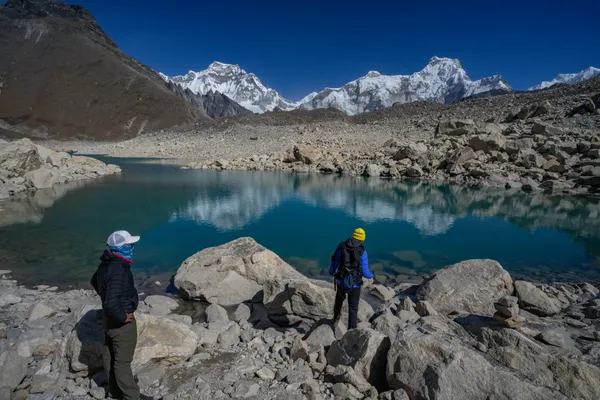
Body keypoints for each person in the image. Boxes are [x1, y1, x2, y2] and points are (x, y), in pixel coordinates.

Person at [91, 230, 151, 400]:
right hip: (121, 323)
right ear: (119, 247)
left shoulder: (106, 263)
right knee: (123, 362)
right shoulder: (118, 268)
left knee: (110, 356)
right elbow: (111, 301)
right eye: (129, 245)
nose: (132, 247)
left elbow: (94, 281)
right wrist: (122, 316)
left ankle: (116, 392)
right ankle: (132, 396)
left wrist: (106, 299)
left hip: (109, 320)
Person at [329, 228, 374, 329]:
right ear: (362, 239)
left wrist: (331, 272)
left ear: (353, 236)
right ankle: (351, 331)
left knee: (339, 301)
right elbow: (365, 272)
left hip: (340, 280)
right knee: (353, 308)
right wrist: (372, 276)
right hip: (354, 284)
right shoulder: (362, 251)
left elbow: (335, 263)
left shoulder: (341, 246)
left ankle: (334, 320)